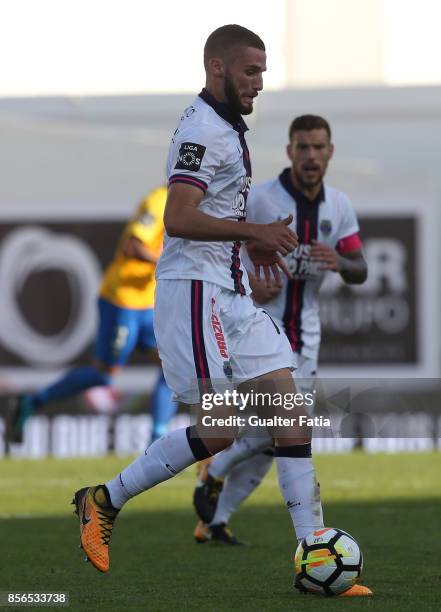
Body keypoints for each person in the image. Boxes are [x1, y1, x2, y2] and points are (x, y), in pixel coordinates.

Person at [72, 26, 370, 597]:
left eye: (263, 71)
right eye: (250, 71)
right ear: (217, 68)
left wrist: (250, 244)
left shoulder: (227, 125)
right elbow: (178, 218)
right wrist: (252, 229)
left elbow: (210, 217)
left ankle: (313, 555)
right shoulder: (205, 129)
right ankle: (102, 500)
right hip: (194, 291)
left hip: (228, 289)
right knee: (222, 430)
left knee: (290, 412)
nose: (260, 82)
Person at [191, 115, 369, 558]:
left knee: (278, 439)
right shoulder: (262, 198)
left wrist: (339, 263)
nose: (311, 156)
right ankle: (215, 482)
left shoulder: (339, 205)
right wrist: (252, 281)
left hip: (305, 335)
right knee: (282, 432)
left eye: (318, 147)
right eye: (303, 147)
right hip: (255, 327)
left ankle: (215, 511)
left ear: (330, 151)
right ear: (289, 151)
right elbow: (222, 249)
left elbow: (360, 269)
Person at [10, 185, 176, 445]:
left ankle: (157, 439)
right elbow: (133, 245)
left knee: (172, 367)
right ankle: (33, 401)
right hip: (123, 301)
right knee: (103, 375)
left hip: (149, 303)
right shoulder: (160, 201)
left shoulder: (188, 205)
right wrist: (168, 262)